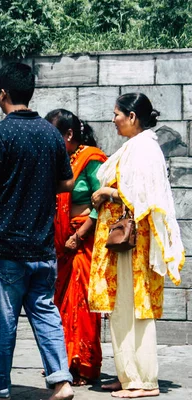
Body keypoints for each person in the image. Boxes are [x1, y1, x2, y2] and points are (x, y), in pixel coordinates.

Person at [0, 63, 75, 400]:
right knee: (46, 314)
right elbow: (67, 181)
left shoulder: (0, 134)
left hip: (6, 248)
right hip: (41, 247)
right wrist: (39, 183)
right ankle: (61, 382)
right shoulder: (50, 133)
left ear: (3, 93)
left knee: (1, 322)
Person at [89, 93, 185, 399]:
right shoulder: (135, 147)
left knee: (136, 309)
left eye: (117, 114)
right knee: (122, 309)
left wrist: (106, 191)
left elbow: (143, 197)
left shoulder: (145, 149)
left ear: (132, 117)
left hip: (137, 244)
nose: (113, 120)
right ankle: (127, 373)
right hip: (125, 245)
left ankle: (144, 381)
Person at [45, 109, 107, 385]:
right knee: (60, 304)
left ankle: (83, 365)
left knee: (81, 304)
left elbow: (102, 204)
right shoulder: (61, 159)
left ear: (69, 135)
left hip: (83, 239)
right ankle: (63, 362)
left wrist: (80, 234)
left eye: (54, 135)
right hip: (61, 243)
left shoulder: (92, 159)